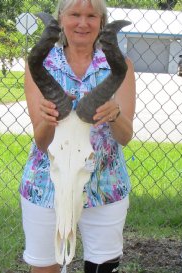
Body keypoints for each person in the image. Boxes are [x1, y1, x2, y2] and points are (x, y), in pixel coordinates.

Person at [19, 0, 136, 272]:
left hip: (105, 184)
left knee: (103, 266)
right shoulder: (41, 64)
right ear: (61, 19)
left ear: (102, 23)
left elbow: (125, 136)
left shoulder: (121, 66)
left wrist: (115, 114)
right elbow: (41, 140)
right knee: (45, 265)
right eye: (75, 14)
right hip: (47, 184)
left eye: (91, 16)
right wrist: (48, 118)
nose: (82, 23)